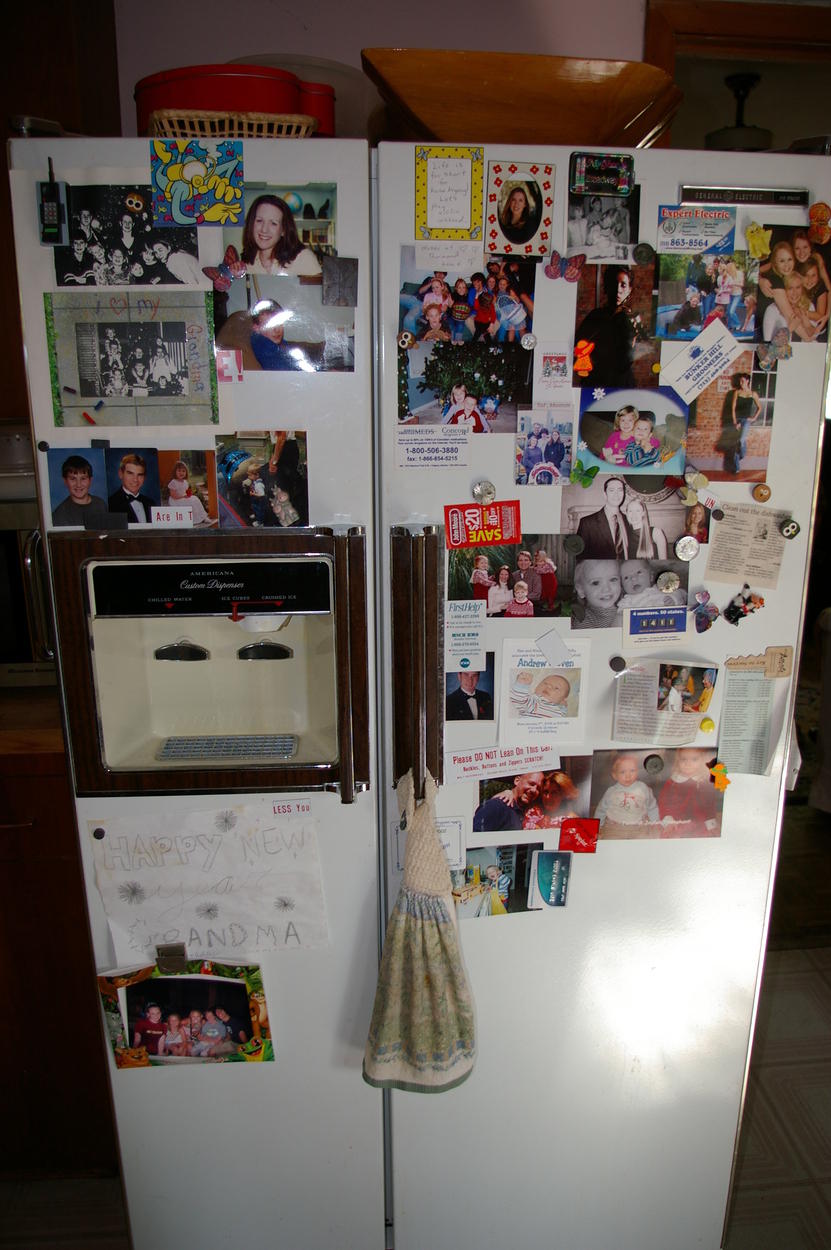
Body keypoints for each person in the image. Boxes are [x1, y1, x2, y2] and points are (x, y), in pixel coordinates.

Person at [573, 265, 641, 388]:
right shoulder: (595, 316)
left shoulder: (631, 319)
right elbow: (578, 348)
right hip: (595, 382)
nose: (618, 290)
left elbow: (626, 360)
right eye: (614, 284)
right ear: (607, 287)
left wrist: (632, 335)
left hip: (621, 383)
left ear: (630, 289)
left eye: (623, 285)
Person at [240, 194, 321, 277]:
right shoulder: (246, 264)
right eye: (259, 220)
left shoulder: (304, 258)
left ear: (283, 230)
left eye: (273, 223)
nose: (264, 229)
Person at [658, 747, 720, 837]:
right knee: (671, 837)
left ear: (702, 761)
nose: (688, 764)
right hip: (677, 821)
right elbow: (664, 803)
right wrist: (669, 820)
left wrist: (711, 824)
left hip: (700, 821)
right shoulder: (672, 782)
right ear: (678, 761)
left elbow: (709, 804)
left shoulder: (704, 782)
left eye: (694, 759)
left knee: (706, 838)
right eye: (684, 759)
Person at [576, 477, 637, 559]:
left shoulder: (629, 520)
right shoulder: (587, 523)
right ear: (605, 494)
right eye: (612, 490)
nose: (616, 494)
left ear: (624, 494)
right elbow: (580, 556)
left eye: (620, 490)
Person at [595, 754, 659, 828]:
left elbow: (652, 807)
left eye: (632, 770)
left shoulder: (643, 788)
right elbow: (601, 810)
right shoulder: (611, 792)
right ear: (615, 775)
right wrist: (597, 826)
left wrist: (656, 823)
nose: (628, 776)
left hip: (638, 825)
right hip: (616, 826)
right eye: (622, 772)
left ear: (637, 772)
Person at [473, 771, 545, 833]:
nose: (534, 790)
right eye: (531, 784)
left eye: (538, 788)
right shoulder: (496, 806)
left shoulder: (527, 812)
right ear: (517, 781)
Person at [720, 372, 761, 475]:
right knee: (736, 443)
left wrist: (754, 418)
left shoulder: (753, 394)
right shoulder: (737, 392)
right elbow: (733, 409)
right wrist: (735, 422)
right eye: (740, 381)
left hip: (746, 420)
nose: (741, 383)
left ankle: (741, 456)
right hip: (736, 420)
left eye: (743, 381)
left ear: (747, 381)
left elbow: (759, 407)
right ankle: (737, 468)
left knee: (741, 440)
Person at [52, 454, 109, 527]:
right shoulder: (59, 515)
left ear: (90, 480)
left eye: (83, 478)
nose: (78, 484)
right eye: (73, 479)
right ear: (65, 481)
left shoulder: (100, 504)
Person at [248, 300, 305, 370]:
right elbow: (283, 371)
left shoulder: (281, 344)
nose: (277, 330)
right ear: (256, 328)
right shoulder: (262, 346)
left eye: (279, 323)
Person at [571, 558, 622, 629]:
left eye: (613, 579)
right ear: (581, 590)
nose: (606, 589)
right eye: (596, 583)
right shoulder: (583, 622)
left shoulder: (626, 607)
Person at [107, 453, 156, 523]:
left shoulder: (151, 503)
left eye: (140, 475)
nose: (135, 479)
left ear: (144, 477)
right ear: (120, 474)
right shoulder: (111, 504)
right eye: (130, 473)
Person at [618, 558, 685, 608]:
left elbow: (682, 593)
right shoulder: (626, 602)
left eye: (639, 572)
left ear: (651, 577)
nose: (633, 579)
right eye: (626, 577)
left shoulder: (660, 588)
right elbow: (620, 617)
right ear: (622, 586)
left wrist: (673, 599)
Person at [167, 459, 212, 526]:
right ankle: (194, 519)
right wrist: (183, 496)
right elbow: (173, 496)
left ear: (186, 472)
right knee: (191, 502)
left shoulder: (185, 482)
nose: (181, 473)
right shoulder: (173, 482)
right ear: (175, 472)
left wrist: (188, 494)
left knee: (195, 499)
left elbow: (185, 491)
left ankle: (203, 517)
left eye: (183, 471)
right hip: (176, 500)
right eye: (179, 471)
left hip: (183, 497)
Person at [447, 278, 471, 342]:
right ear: (456, 288)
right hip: (451, 316)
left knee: (460, 326)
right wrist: (450, 305)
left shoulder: (467, 296)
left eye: (463, 287)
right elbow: (449, 309)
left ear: (466, 288)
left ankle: (458, 340)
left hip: (461, 318)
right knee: (451, 326)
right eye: (459, 287)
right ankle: (452, 340)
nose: (461, 289)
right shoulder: (453, 295)